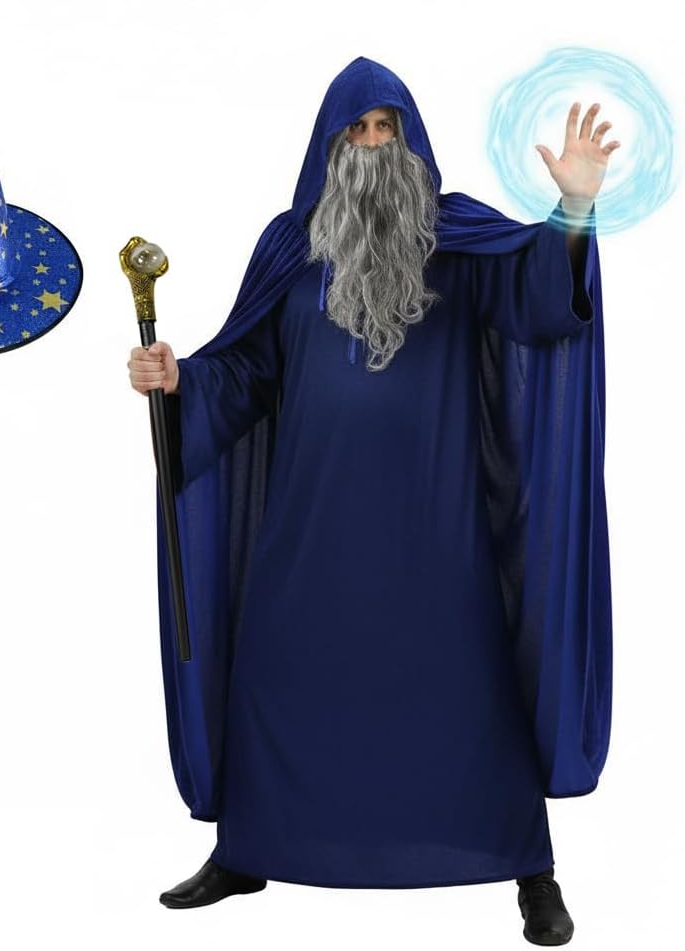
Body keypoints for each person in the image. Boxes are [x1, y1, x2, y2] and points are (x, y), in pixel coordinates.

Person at [128, 58, 616, 946]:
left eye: (385, 127)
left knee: (469, 692)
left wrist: (573, 212)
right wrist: (178, 380)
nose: (371, 143)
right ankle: (249, 848)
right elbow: (246, 371)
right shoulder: (290, 248)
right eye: (355, 130)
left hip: (436, 528)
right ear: (329, 144)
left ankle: (527, 866)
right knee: (279, 673)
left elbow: (542, 303)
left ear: (411, 139)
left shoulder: (457, 242)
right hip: (310, 529)